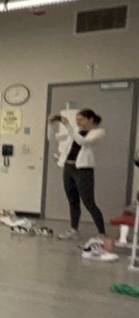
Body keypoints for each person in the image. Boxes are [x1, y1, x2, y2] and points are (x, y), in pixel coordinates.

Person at [48, 109, 116, 258]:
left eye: (81, 119)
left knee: (89, 202)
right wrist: (53, 123)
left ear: (91, 119)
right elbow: (59, 137)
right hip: (68, 168)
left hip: (84, 170)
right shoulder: (77, 130)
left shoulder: (98, 132)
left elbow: (81, 141)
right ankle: (73, 229)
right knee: (72, 200)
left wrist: (67, 124)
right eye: (77, 119)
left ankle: (102, 234)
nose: (78, 122)